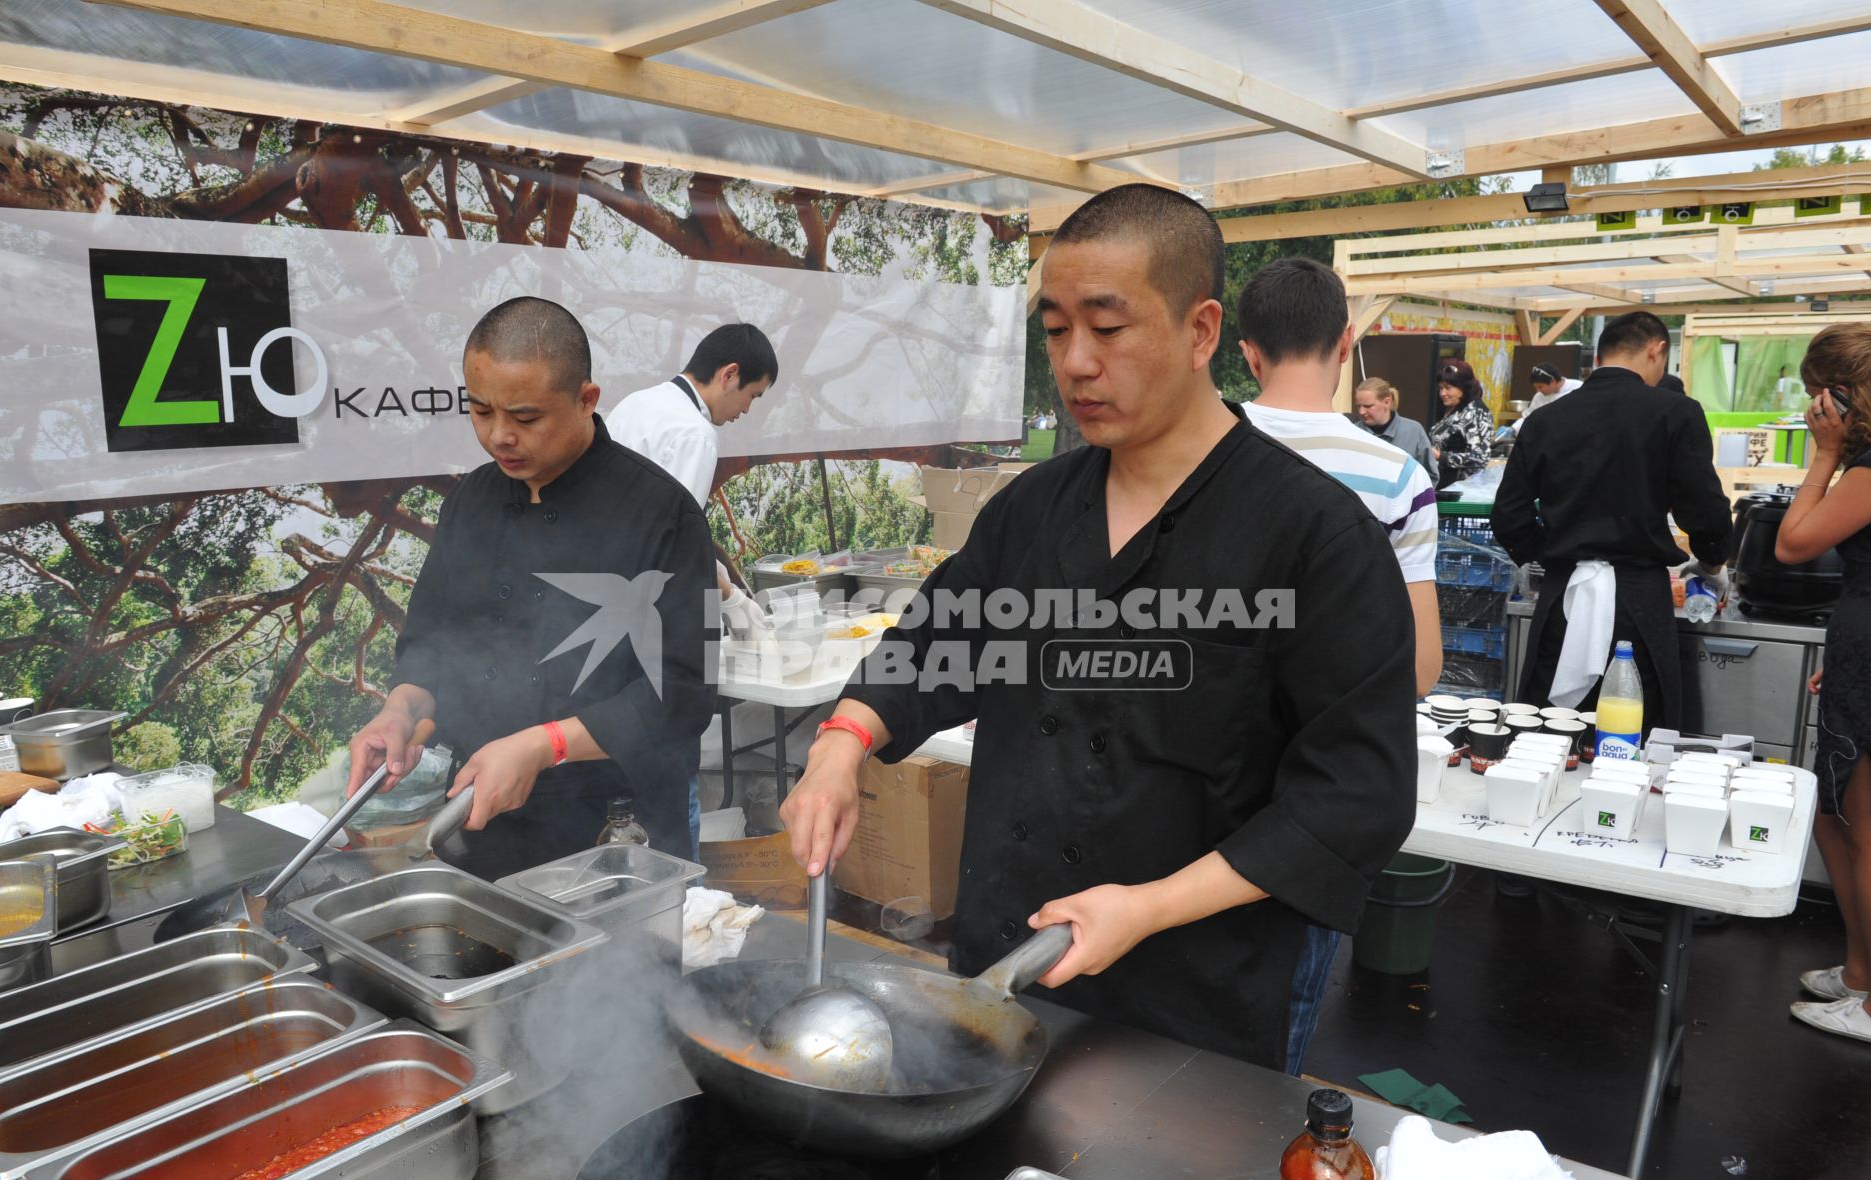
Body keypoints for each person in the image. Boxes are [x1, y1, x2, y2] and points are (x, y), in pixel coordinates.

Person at [779, 184, 1417, 1070]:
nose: (1075, 362)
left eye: (1107, 328)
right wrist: (840, 746)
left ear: (1200, 333)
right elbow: (939, 642)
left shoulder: (1314, 536)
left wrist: (1149, 905)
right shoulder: (1030, 509)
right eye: (1054, 329)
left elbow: (1355, 797)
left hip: (1187, 1003)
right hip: (999, 964)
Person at [348, 297, 716, 871]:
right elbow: (431, 643)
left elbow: (684, 694)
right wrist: (400, 708)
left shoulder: (662, 514)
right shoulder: (470, 501)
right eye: (480, 411)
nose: (499, 437)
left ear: (586, 400)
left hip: (614, 832)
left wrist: (543, 746)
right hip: (477, 815)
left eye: (525, 418)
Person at [1236, 259, 1443, 1076]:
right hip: (1313, 793)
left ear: (1245, 351)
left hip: (1176, 776)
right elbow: (1420, 667)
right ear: (1346, 342)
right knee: (1270, 1047)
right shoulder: (1397, 476)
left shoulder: (1190, 448)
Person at [1492, 311, 1732, 729]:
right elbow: (1706, 512)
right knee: (1632, 736)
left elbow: (1508, 516)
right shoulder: (1675, 412)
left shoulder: (1545, 419)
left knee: (1548, 731)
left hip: (1562, 597)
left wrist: (1553, 560)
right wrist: (1711, 563)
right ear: (1657, 351)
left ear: (1600, 357)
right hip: (1639, 602)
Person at [606, 323, 779, 854]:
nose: (747, 410)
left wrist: (727, 586)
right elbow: (672, 549)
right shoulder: (694, 433)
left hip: (607, 621)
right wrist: (732, 603)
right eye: (752, 395)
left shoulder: (638, 404)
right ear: (729, 375)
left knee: (620, 790)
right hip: (649, 636)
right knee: (670, 795)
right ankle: (679, 902)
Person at [1771, 324, 1871, 1043]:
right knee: (1834, 818)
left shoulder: (1864, 465)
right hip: (1859, 645)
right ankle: (1862, 971)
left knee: (1864, 829)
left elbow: (1793, 541)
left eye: (1817, 395)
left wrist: (1824, 455)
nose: (1812, 410)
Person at [1354, 377, 1438, 482]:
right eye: (1358, 406)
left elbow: (1430, 476)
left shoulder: (1414, 431)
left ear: (1387, 402)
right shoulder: (1352, 432)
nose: (1361, 412)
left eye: (1368, 406)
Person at [1430, 359, 1494, 490]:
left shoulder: (1476, 412)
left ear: (1463, 387)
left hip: (1462, 489)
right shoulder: (1452, 408)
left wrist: (1441, 456)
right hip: (1443, 484)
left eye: (1448, 388)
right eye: (1441, 388)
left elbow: (1480, 458)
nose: (1443, 393)